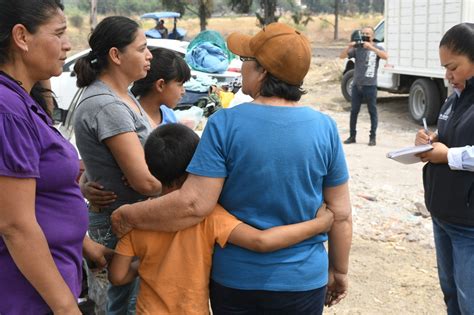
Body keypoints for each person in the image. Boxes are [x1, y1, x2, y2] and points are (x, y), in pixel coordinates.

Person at [112, 22, 352, 314]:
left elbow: (194, 203)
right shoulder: (324, 128)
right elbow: (339, 215)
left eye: (245, 61)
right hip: (301, 279)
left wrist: (129, 214)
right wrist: (338, 271)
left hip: (237, 280)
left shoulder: (225, 124)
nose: (241, 68)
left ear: (263, 71)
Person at [108, 123, 335, 314]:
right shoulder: (208, 215)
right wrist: (319, 225)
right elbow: (261, 241)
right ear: (196, 166)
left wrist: (146, 264)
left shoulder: (136, 219)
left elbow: (118, 276)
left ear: (151, 168)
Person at [0, 1, 110, 314]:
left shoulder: (20, 99)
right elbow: (15, 225)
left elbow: (43, 196)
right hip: (24, 298)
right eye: (58, 34)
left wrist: (87, 246)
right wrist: (66, 308)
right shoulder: (6, 109)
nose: (67, 45)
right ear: (21, 37)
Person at [73, 16, 161, 315]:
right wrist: (190, 192)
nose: (149, 55)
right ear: (116, 55)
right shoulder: (107, 105)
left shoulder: (123, 96)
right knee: (126, 307)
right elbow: (143, 182)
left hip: (126, 219)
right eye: (142, 48)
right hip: (119, 226)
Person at [81, 47, 191, 216]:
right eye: (180, 84)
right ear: (160, 84)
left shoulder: (168, 116)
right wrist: (85, 184)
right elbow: (98, 158)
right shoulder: (120, 113)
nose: (183, 91)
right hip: (125, 213)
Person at [415, 22, 474, 315]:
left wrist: (447, 155)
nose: (448, 76)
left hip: (469, 224)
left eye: (453, 67)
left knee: (469, 301)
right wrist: (432, 139)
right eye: (444, 68)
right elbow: (452, 136)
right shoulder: (455, 98)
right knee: (451, 293)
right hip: (443, 214)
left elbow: (455, 153)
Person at [340, 26, 388, 146]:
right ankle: (352, 136)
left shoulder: (377, 47)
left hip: (370, 85)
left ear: (372, 36)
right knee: (354, 111)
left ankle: (372, 137)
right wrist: (349, 46)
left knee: (372, 112)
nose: (365, 35)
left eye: (368, 34)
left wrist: (371, 48)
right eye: (364, 33)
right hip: (357, 85)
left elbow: (385, 56)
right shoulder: (358, 48)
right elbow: (342, 56)